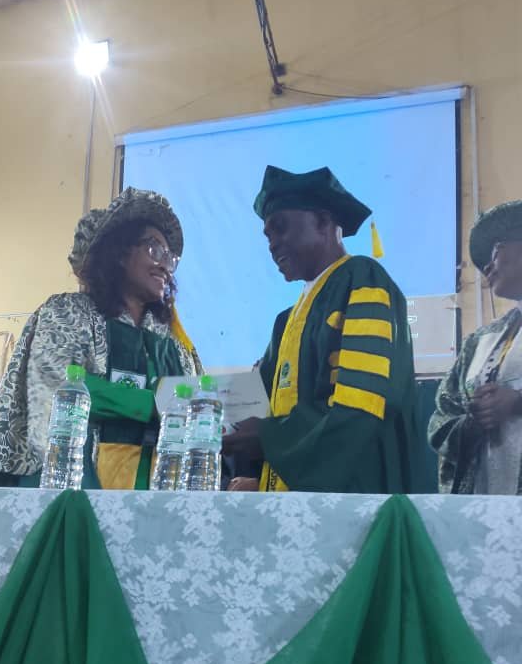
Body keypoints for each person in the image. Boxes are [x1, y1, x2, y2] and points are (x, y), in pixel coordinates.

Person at [0, 188, 202, 489]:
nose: (165, 265)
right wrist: (154, 404)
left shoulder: (174, 343)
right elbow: (57, 389)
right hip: (73, 485)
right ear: (119, 253)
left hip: (159, 494)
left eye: (171, 257)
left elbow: (198, 408)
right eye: (154, 249)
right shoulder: (68, 311)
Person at [223, 165, 417, 493]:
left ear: (324, 222)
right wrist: (180, 404)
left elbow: (361, 406)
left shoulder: (362, 280)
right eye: (267, 236)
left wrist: (269, 437)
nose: (272, 244)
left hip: (353, 500)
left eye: (280, 228)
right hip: (294, 500)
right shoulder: (287, 320)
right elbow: (256, 403)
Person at [429, 201, 522, 494]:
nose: (486, 268)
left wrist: (516, 402)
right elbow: (442, 419)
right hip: (483, 513)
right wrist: (472, 422)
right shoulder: (479, 342)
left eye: (495, 250)